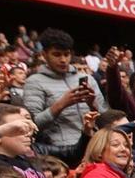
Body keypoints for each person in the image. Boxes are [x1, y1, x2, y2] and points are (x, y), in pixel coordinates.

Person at [21, 28, 108, 162]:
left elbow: (105, 118)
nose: (63, 59)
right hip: (60, 152)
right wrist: (61, 104)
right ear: (44, 54)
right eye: (56, 54)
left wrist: (93, 104)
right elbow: (32, 125)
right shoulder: (34, 82)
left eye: (66, 54)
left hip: (95, 147)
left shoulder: (88, 78)